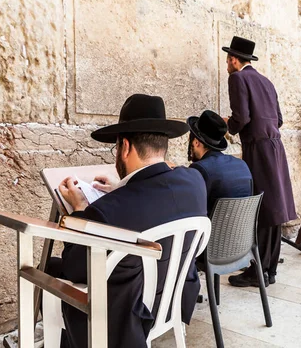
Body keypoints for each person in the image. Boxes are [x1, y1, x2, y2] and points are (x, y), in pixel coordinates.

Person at [53, 94, 207, 348]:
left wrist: (80, 208)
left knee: (53, 266)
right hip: (171, 301)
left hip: (125, 318)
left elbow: (74, 268)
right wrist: (121, 188)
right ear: (163, 144)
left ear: (125, 147)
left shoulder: (108, 212)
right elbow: (155, 195)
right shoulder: (195, 182)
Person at [222, 36, 297, 287]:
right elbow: (278, 119)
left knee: (262, 209)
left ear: (234, 59)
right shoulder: (266, 81)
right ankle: (269, 270)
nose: (226, 64)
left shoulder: (238, 78)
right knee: (274, 210)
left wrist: (228, 126)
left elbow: (241, 117)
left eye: (227, 60)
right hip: (276, 147)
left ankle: (259, 272)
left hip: (258, 148)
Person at [187, 109, 253, 217]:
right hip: (241, 233)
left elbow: (191, 209)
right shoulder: (242, 165)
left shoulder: (199, 169)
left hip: (211, 233)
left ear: (196, 142)